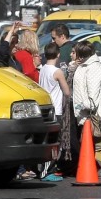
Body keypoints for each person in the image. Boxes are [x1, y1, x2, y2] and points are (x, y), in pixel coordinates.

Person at [69, 41, 101, 173]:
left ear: (83, 55)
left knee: (88, 140)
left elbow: (92, 92)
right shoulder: (84, 65)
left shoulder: (94, 68)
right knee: (85, 141)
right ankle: (89, 166)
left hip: (89, 111)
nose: (74, 56)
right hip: (83, 110)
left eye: (77, 53)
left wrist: (86, 106)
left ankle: (90, 167)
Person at [37, 41, 70, 182]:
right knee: (54, 142)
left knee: (47, 140)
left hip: (44, 109)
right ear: (58, 54)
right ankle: (47, 171)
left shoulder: (43, 69)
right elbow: (67, 91)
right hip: (55, 109)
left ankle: (46, 168)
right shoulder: (57, 72)